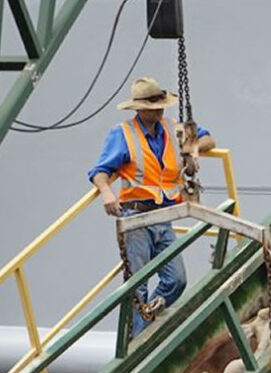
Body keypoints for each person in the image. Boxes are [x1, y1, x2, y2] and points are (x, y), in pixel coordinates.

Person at [88, 77, 215, 336]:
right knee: (138, 286)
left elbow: (208, 139)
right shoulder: (122, 134)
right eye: (152, 106)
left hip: (164, 216)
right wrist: (106, 192)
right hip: (136, 217)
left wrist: (192, 150)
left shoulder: (171, 129)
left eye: (160, 105)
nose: (158, 111)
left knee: (176, 280)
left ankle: (145, 324)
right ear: (138, 108)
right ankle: (138, 340)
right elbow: (100, 171)